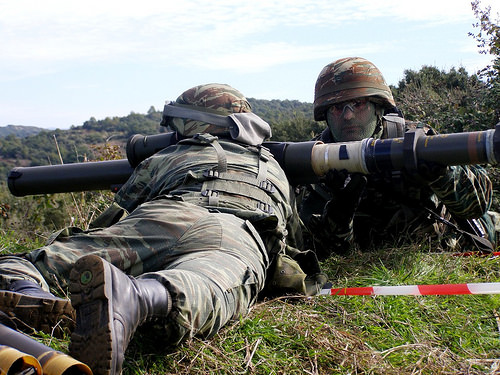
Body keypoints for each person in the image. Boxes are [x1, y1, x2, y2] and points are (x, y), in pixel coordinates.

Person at [0, 83, 325, 375]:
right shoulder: (277, 171)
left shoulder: (175, 153)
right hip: (237, 234)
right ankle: (137, 298)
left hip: (168, 213)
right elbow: (291, 240)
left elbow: (120, 211)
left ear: (193, 123)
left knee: (57, 259)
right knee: (208, 282)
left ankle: (28, 286)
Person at [299, 57, 497, 259]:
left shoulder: (411, 139)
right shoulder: (313, 161)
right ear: (326, 115)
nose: (347, 116)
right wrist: (340, 211)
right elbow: (322, 254)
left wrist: (441, 173)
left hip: (433, 252)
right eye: (337, 108)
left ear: (379, 107)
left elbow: (478, 204)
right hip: (366, 263)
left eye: (357, 104)